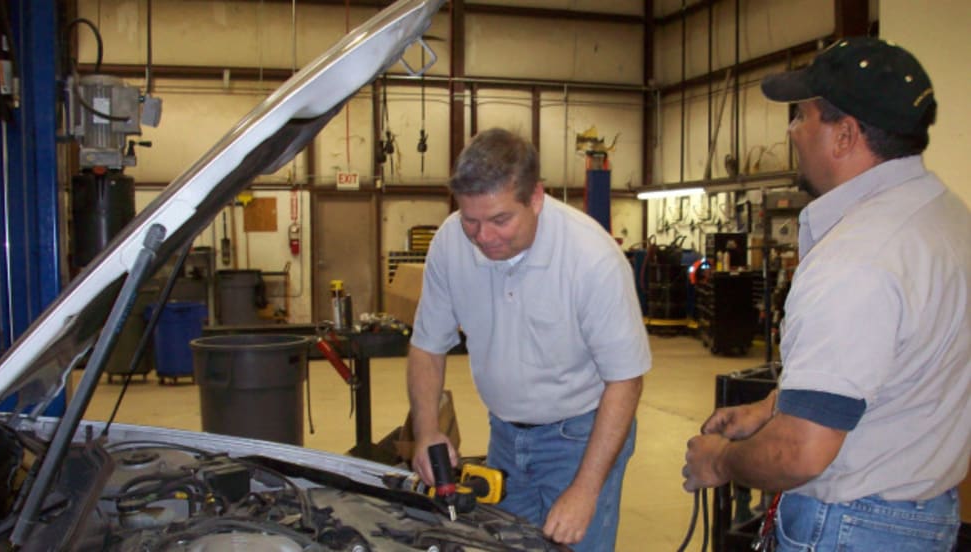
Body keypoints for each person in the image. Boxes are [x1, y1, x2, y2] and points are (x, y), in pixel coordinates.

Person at [682, 37, 969, 551]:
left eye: (801, 116)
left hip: (852, 527)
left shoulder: (856, 258)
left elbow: (799, 452)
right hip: (925, 514)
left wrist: (719, 461)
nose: (792, 131)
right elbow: (895, 369)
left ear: (845, 135)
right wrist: (775, 406)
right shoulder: (948, 221)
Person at [407, 127, 650, 550]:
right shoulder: (450, 243)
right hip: (504, 435)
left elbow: (625, 380)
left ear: (536, 197)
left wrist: (585, 490)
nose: (483, 236)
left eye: (500, 220)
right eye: (471, 220)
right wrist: (427, 431)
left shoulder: (591, 258)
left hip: (581, 437)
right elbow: (427, 346)